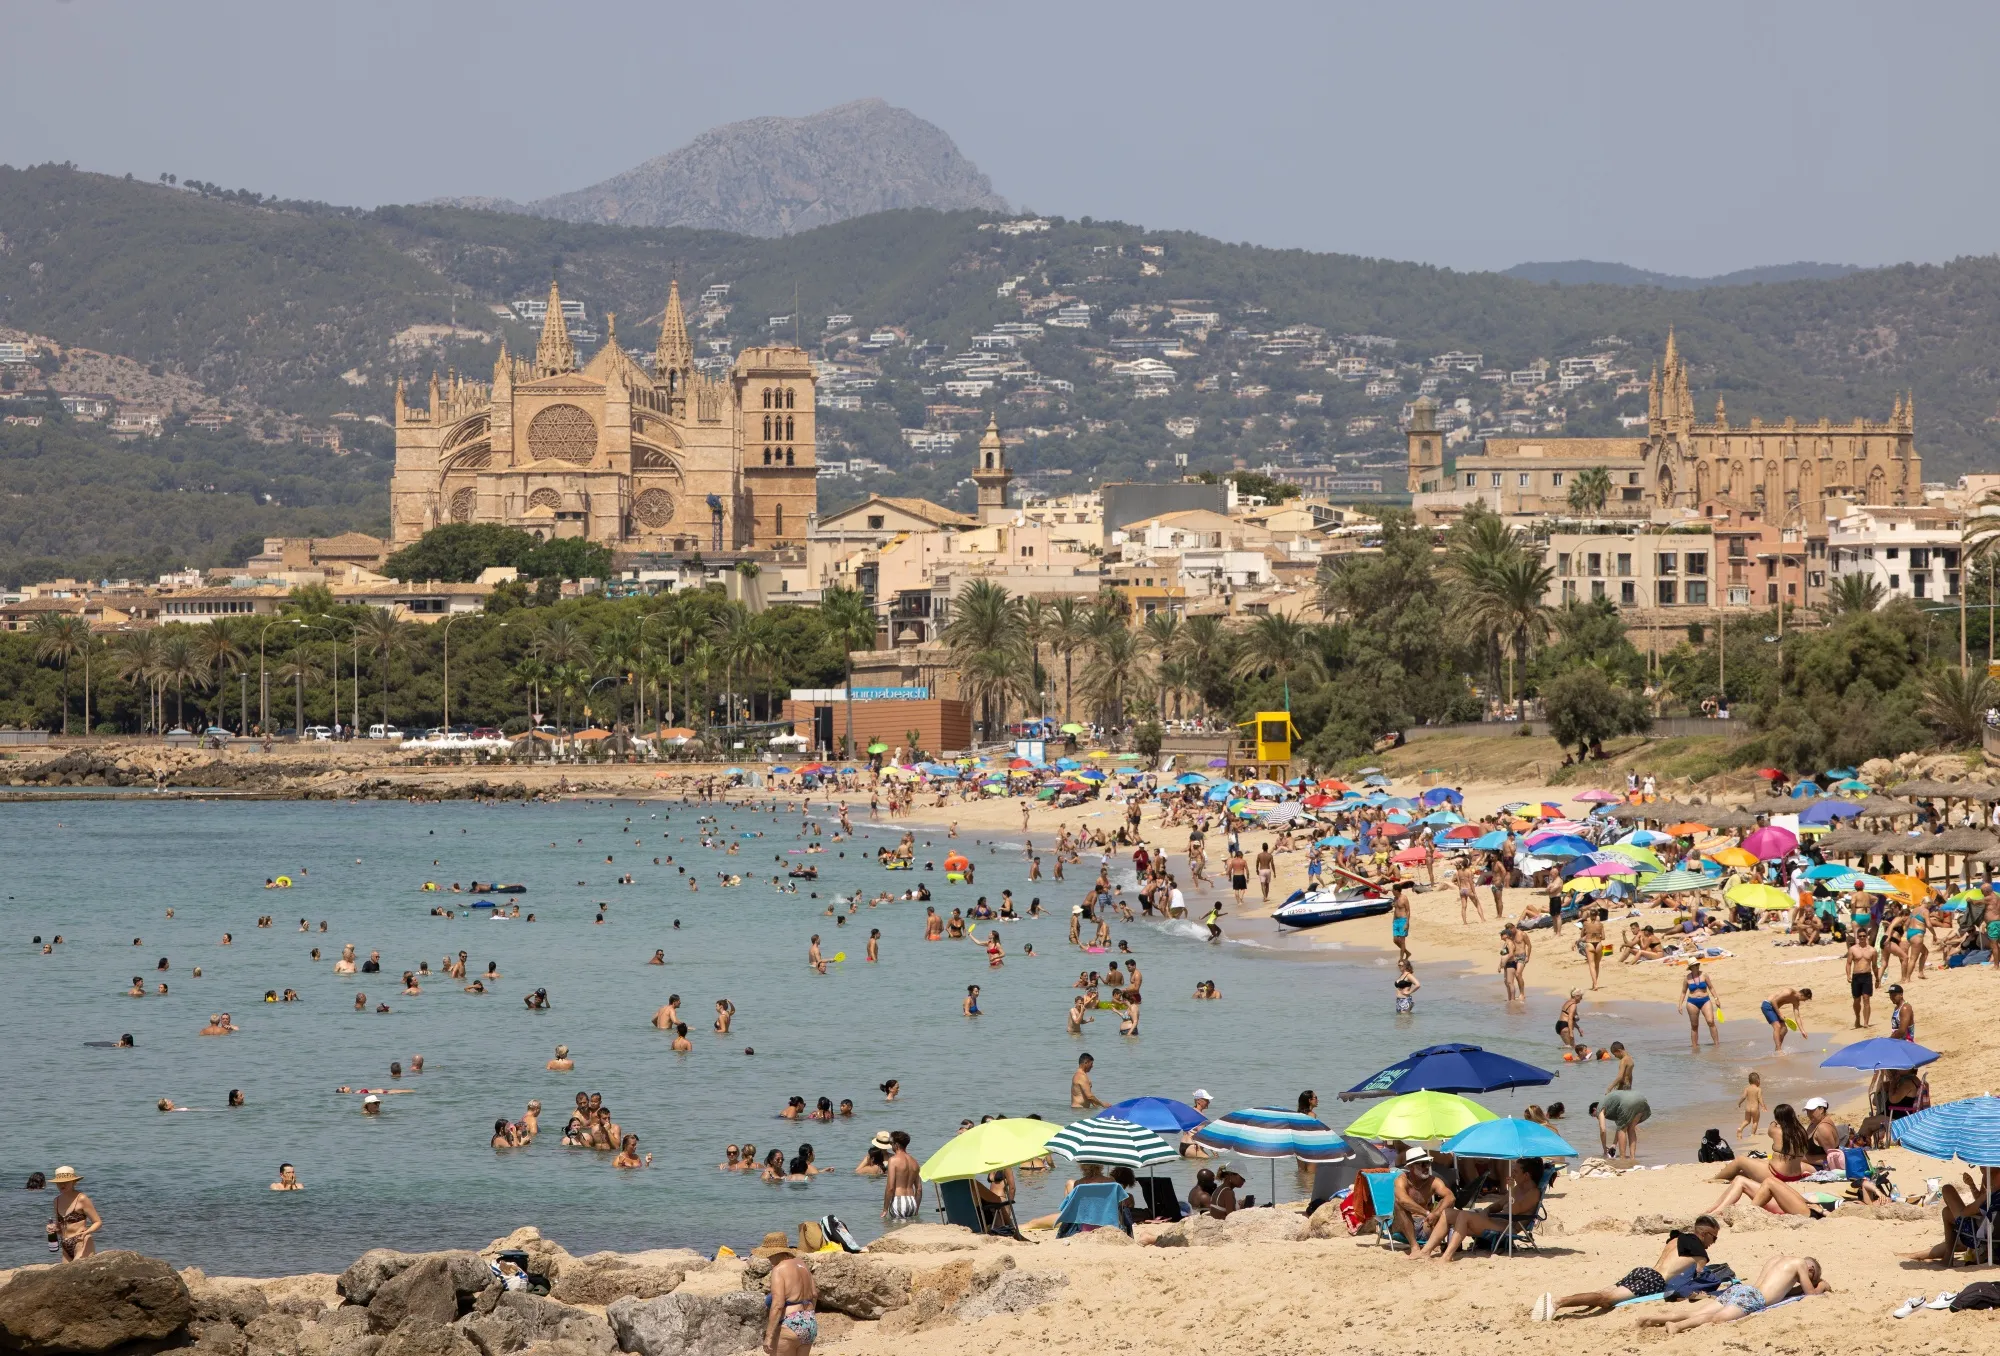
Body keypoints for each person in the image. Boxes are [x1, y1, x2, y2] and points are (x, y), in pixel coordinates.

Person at [1536, 1216, 1721, 1318]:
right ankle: (1557, 1302)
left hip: (1643, 1271)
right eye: (1714, 1237)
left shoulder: (1677, 1238)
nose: (1713, 1242)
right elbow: (1697, 1278)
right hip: (1654, 1281)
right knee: (1605, 1299)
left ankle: (1561, 1303)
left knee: (1603, 1293)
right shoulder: (1700, 1253)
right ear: (1704, 1233)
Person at [1633, 1256, 1828, 1334]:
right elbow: (1810, 1294)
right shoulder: (1800, 1264)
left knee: (1697, 1312)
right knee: (1716, 1318)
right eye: (1810, 1277)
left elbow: (1780, 1290)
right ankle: (1677, 1326)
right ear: (1810, 1269)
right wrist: (1821, 1286)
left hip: (1740, 1290)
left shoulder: (1778, 1259)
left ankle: (1651, 1319)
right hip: (1753, 1298)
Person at [1425, 1157, 1546, 1262]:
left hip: (1508, 1227)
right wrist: (1485, 1212)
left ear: (1526, 1176)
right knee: (1448, 1213)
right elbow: (1497, 1205)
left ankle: (1446, 1257)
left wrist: (1510, 1191)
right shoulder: (1517, 1189)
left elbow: (1514, 1211)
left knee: (1464, 1216)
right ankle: (1425, 1251)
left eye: (1515, 1171)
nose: (1512, 1174)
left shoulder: (1533, 1193)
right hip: (1495, 1221)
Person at [1391, 1150, 1452, 1257]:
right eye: (1422, 1164)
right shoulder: (1402, 1180)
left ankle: (1435, 1242)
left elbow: (1451, 1197)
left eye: (1428, 1163)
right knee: (1398, 1204)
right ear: (1410, 1167)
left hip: (1426, 1224)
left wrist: (1436, 1213)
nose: (1426, 1167)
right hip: (1403, 1227)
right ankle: (1414, 1246)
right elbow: (1402, 1200)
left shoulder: (1433, 1181)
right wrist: (1426, 1213)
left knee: (1446, 1202)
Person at [763, 1252, 819, 1356]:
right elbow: (814, 1294)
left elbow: (778, 1305)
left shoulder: (779, 1269)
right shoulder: (802, 1264)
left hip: (789, 1322)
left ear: (777, 1253)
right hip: (809, 1321)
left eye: (770, 1254)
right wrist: (808, 1316)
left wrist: (769, 1336)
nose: (768, 1257)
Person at [49, 1168, 102, 1259]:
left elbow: (98, 1222)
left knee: (78, 1268)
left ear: (74, 1182)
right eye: (59, 1182)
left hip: (81, 1241)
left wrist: (86, 1232)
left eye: (66, 1182)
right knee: (66, 1269)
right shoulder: (56, 1201)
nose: (62, 1185)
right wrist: (53, 1228)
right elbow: (60, 1228)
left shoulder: (81, 1199)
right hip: (65, 1244)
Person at [1679, 961, 1720, 1052]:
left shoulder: (1704, 975)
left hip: (1705, 1000)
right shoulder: (1687, 978)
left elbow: (1711, 987)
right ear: (1691, 967)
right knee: (1694, 1026)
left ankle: (1717, 1045)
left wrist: (1716, 999)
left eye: (1697, 965)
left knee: (1710, 1021)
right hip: (1692, 1002)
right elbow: (1683, 992)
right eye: (1694, 965)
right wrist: (1680, 1005)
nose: (1697, 966)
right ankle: (1695, 1048)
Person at [882, 1130, 920, 1221]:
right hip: (912, 1201)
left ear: (896, 1144)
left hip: (899, 1201)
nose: (891, 1146)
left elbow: (890, 1188)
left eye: (891, 1143)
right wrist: (916, 1208)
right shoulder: (914, 1162)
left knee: (895, 1227)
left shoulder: (893, 1160)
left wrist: (885, 1209)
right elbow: (919, 1189)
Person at [1762, 987, 1811, 1052]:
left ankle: (1777, 1049)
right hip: (1767, 1005)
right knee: (1777, 1026)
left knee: (1784, 1030)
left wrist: (1802, 1031)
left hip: (1775, 1009)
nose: (1804, 1001)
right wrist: (1780, 1014)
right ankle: (1779, 1050)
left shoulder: (1796, 1002)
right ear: (1802, 995)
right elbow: (1773, 1001)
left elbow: (1797, 1017)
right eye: (1805, 999)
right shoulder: (1788, 992)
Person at [1846, 930, 1877, 1027]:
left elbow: (1874, 965)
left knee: (1866, 998)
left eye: (1864, 936)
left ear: (1866, 936)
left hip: (1867, 976)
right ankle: (1857, 1017)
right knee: (1856, 1000)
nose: (1862, 938)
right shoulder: (1852, 949)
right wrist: (1848, 975)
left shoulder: (1872, 950)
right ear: (1858, 937)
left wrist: (1877, 979)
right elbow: (1848, 963)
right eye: (1860, 936)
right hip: (1856, 976)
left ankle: (1866, 1022)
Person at [1736, 1072, 1765, 1140]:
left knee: (1747, 1120)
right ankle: (1752, 1134)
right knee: (1755, 1122)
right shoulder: (1758, 1089)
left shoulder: (1747, 1088)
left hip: (1748, 1108)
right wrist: (1763, 1106)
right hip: (1755, 1108)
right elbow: (1759, 1098)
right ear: (1758, 1081)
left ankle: (1740, 1129)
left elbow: (1743, 1097)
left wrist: (1739, 1103)